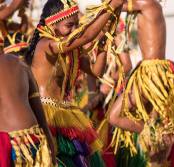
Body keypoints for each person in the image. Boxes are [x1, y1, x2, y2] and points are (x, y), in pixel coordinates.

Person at [25, 0, 124, 166]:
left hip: (67, 113)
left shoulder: (71, 51)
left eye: (76, 25)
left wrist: (104, 41)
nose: (74, 30)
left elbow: (96, 71)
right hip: (45, 115)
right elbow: (86, 36)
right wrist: (112, 6)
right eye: (70, 25)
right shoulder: (46, 45)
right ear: (52, 24)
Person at [108, 0, 174, 166]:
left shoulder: (148, 4)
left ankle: (153, 133)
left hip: (152, 74)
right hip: (152, 72)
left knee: (114, 116)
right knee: (156, 145)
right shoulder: (147, 6)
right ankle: (155, 135)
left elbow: (114, 4)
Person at [0, 53, 56, 166]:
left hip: (8, 145)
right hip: (34, 138)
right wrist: (51, 147)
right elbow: (41, 118)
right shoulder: (21, 63)